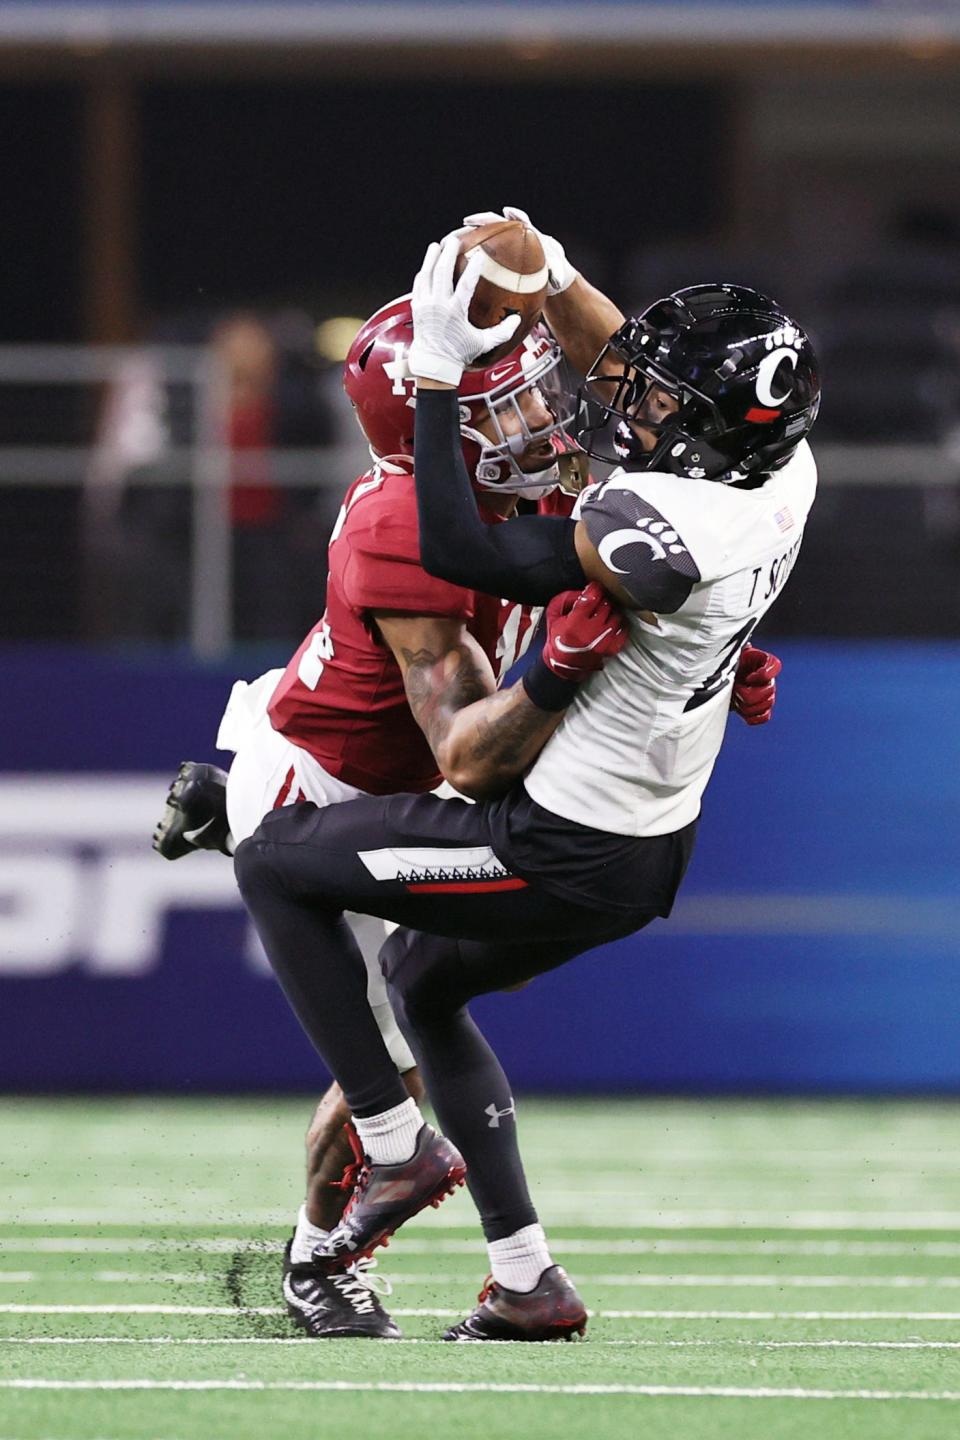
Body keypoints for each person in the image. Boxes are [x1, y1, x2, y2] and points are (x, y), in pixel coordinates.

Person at [230, 217, 818, 1342]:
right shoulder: (778, 464)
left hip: (553, 835)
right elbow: (464, 739)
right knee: (413, 990)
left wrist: (456, 375)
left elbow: (487, 569)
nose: (570, 405)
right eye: (512, 395)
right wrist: (551, 278)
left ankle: (360, 1207)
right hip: (493, 803)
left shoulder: (638, 522)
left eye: (532, 386)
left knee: (340, 948)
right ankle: (513, 1277)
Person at [154, 293, 633, 1339]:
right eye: (502, 409)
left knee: (416, 1025)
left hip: (379, 771)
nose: (540, 422)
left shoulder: (474, 491)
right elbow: (464, 749)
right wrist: (586, 663)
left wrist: (539, 272)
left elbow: (622, 383)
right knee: (391, 1063)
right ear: (435, 429)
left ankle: (476, 1262)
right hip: (332, 785)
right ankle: (317, 1260)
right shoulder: (408, 528)